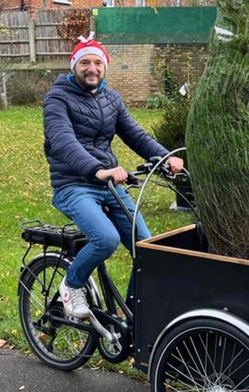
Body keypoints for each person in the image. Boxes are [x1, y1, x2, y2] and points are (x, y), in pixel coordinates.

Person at [43, 32, 183, 319]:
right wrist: (97, 169)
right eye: (85, 63)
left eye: (97, 62)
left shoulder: (110, 98)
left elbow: (135, 134)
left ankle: (134, 319)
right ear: (74, 67)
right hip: (74, 184)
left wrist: (165, 157)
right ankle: (72, 285)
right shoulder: (57, 98)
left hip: (108, 183)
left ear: (105, 67)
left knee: (148, 250)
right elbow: (63, 140)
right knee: (105, 239)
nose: (91, 68)